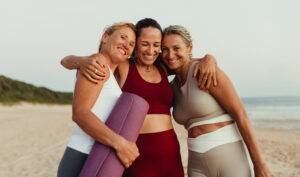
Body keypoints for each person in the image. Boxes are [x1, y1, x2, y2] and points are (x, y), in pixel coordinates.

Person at [61, 18, 218, 177]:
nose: (151, 50)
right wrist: (78, 60)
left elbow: (183, 61)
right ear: (136, 45)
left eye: (156, 45)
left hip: (170, 154)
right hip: (136, 155)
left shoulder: (162, 67)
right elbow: (72, 62)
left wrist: (208, 58)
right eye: (144, 44)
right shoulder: (123, 66)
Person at [161, 25, 274, 177]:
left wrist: (260, 165)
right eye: (165, 49)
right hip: (196, 163)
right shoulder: (171, 87)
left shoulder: (206, 71)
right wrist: (207, 57)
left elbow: (241, 115)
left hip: (229, 157)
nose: (170, 54)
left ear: (190, 47)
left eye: (176, 48)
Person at [57, 22, 139, 177]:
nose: (126, 45)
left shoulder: (111, 74)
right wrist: (121, 144)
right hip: (82, 156)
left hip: (95, 156)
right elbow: (80, 114)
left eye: (131, 44)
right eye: (123, 37)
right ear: (105, 37)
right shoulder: (98, 62)